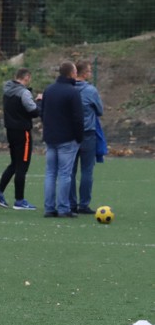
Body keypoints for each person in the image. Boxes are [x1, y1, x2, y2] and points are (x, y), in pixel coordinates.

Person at [0, 68, 42, 210]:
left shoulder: (7, 89)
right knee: (22, 166)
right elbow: (33, 111)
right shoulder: (24, 92)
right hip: (23, 131)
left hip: (11, 130)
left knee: (14, 163)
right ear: (27, 77)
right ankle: (19, 200)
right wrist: (39, 102)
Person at [41, 61, 84, 218]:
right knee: (65, 174)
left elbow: (42, 111)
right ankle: (64, 208)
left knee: (50, 173)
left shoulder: (49, 90)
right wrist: (79, 137)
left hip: (50, 137)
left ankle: (49, 208)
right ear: (71, 73)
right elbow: (78, 118)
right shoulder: (72, 92)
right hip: (67, 138)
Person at [68, 60, 104, 215]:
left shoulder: (66, 89)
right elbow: (100, 110)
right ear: (84, 73)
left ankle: (70, 203)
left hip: (69, 133)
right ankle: (84, 204)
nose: (90, 73)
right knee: (87, 170)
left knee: (69, 171)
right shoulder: (91, 90)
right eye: (89, 71)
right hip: (87, 133)